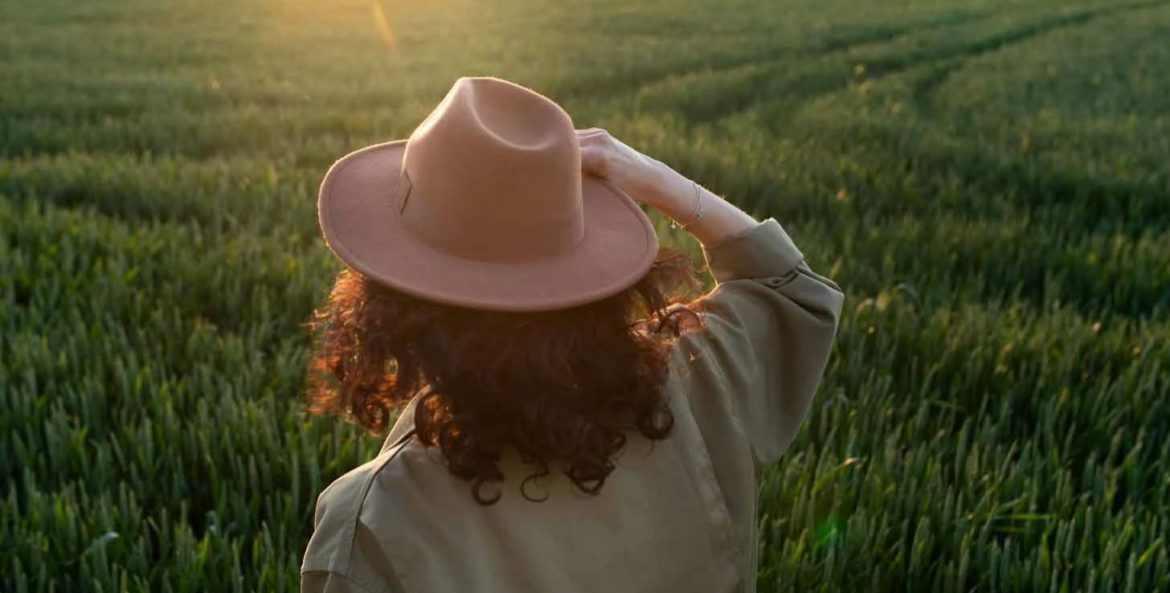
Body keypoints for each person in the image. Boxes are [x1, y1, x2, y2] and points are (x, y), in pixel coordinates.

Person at [299, 76, 844, 593]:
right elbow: (787, 286)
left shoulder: (375, 522)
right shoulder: (697, 377)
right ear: (593, 276)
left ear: (391, 303)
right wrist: (657, 178)